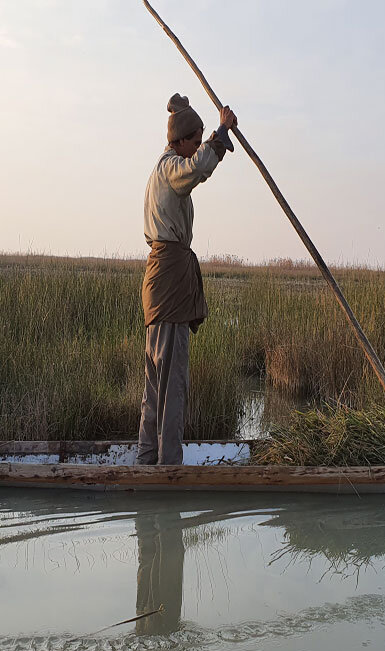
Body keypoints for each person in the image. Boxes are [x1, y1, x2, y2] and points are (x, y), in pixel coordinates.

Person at [136, 93, 237, 465]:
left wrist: (217, 138)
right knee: (171, 385)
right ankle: (167, 467)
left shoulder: (163, 171)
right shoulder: (170, 169)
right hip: (169, 283)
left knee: (157, 385)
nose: (196, 149)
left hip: (163, 283)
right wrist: (221, 132)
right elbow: (197, 168)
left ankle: (148, 460)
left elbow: (196, 166)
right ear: (179, 141)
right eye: (193, 142)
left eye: (199, 142)